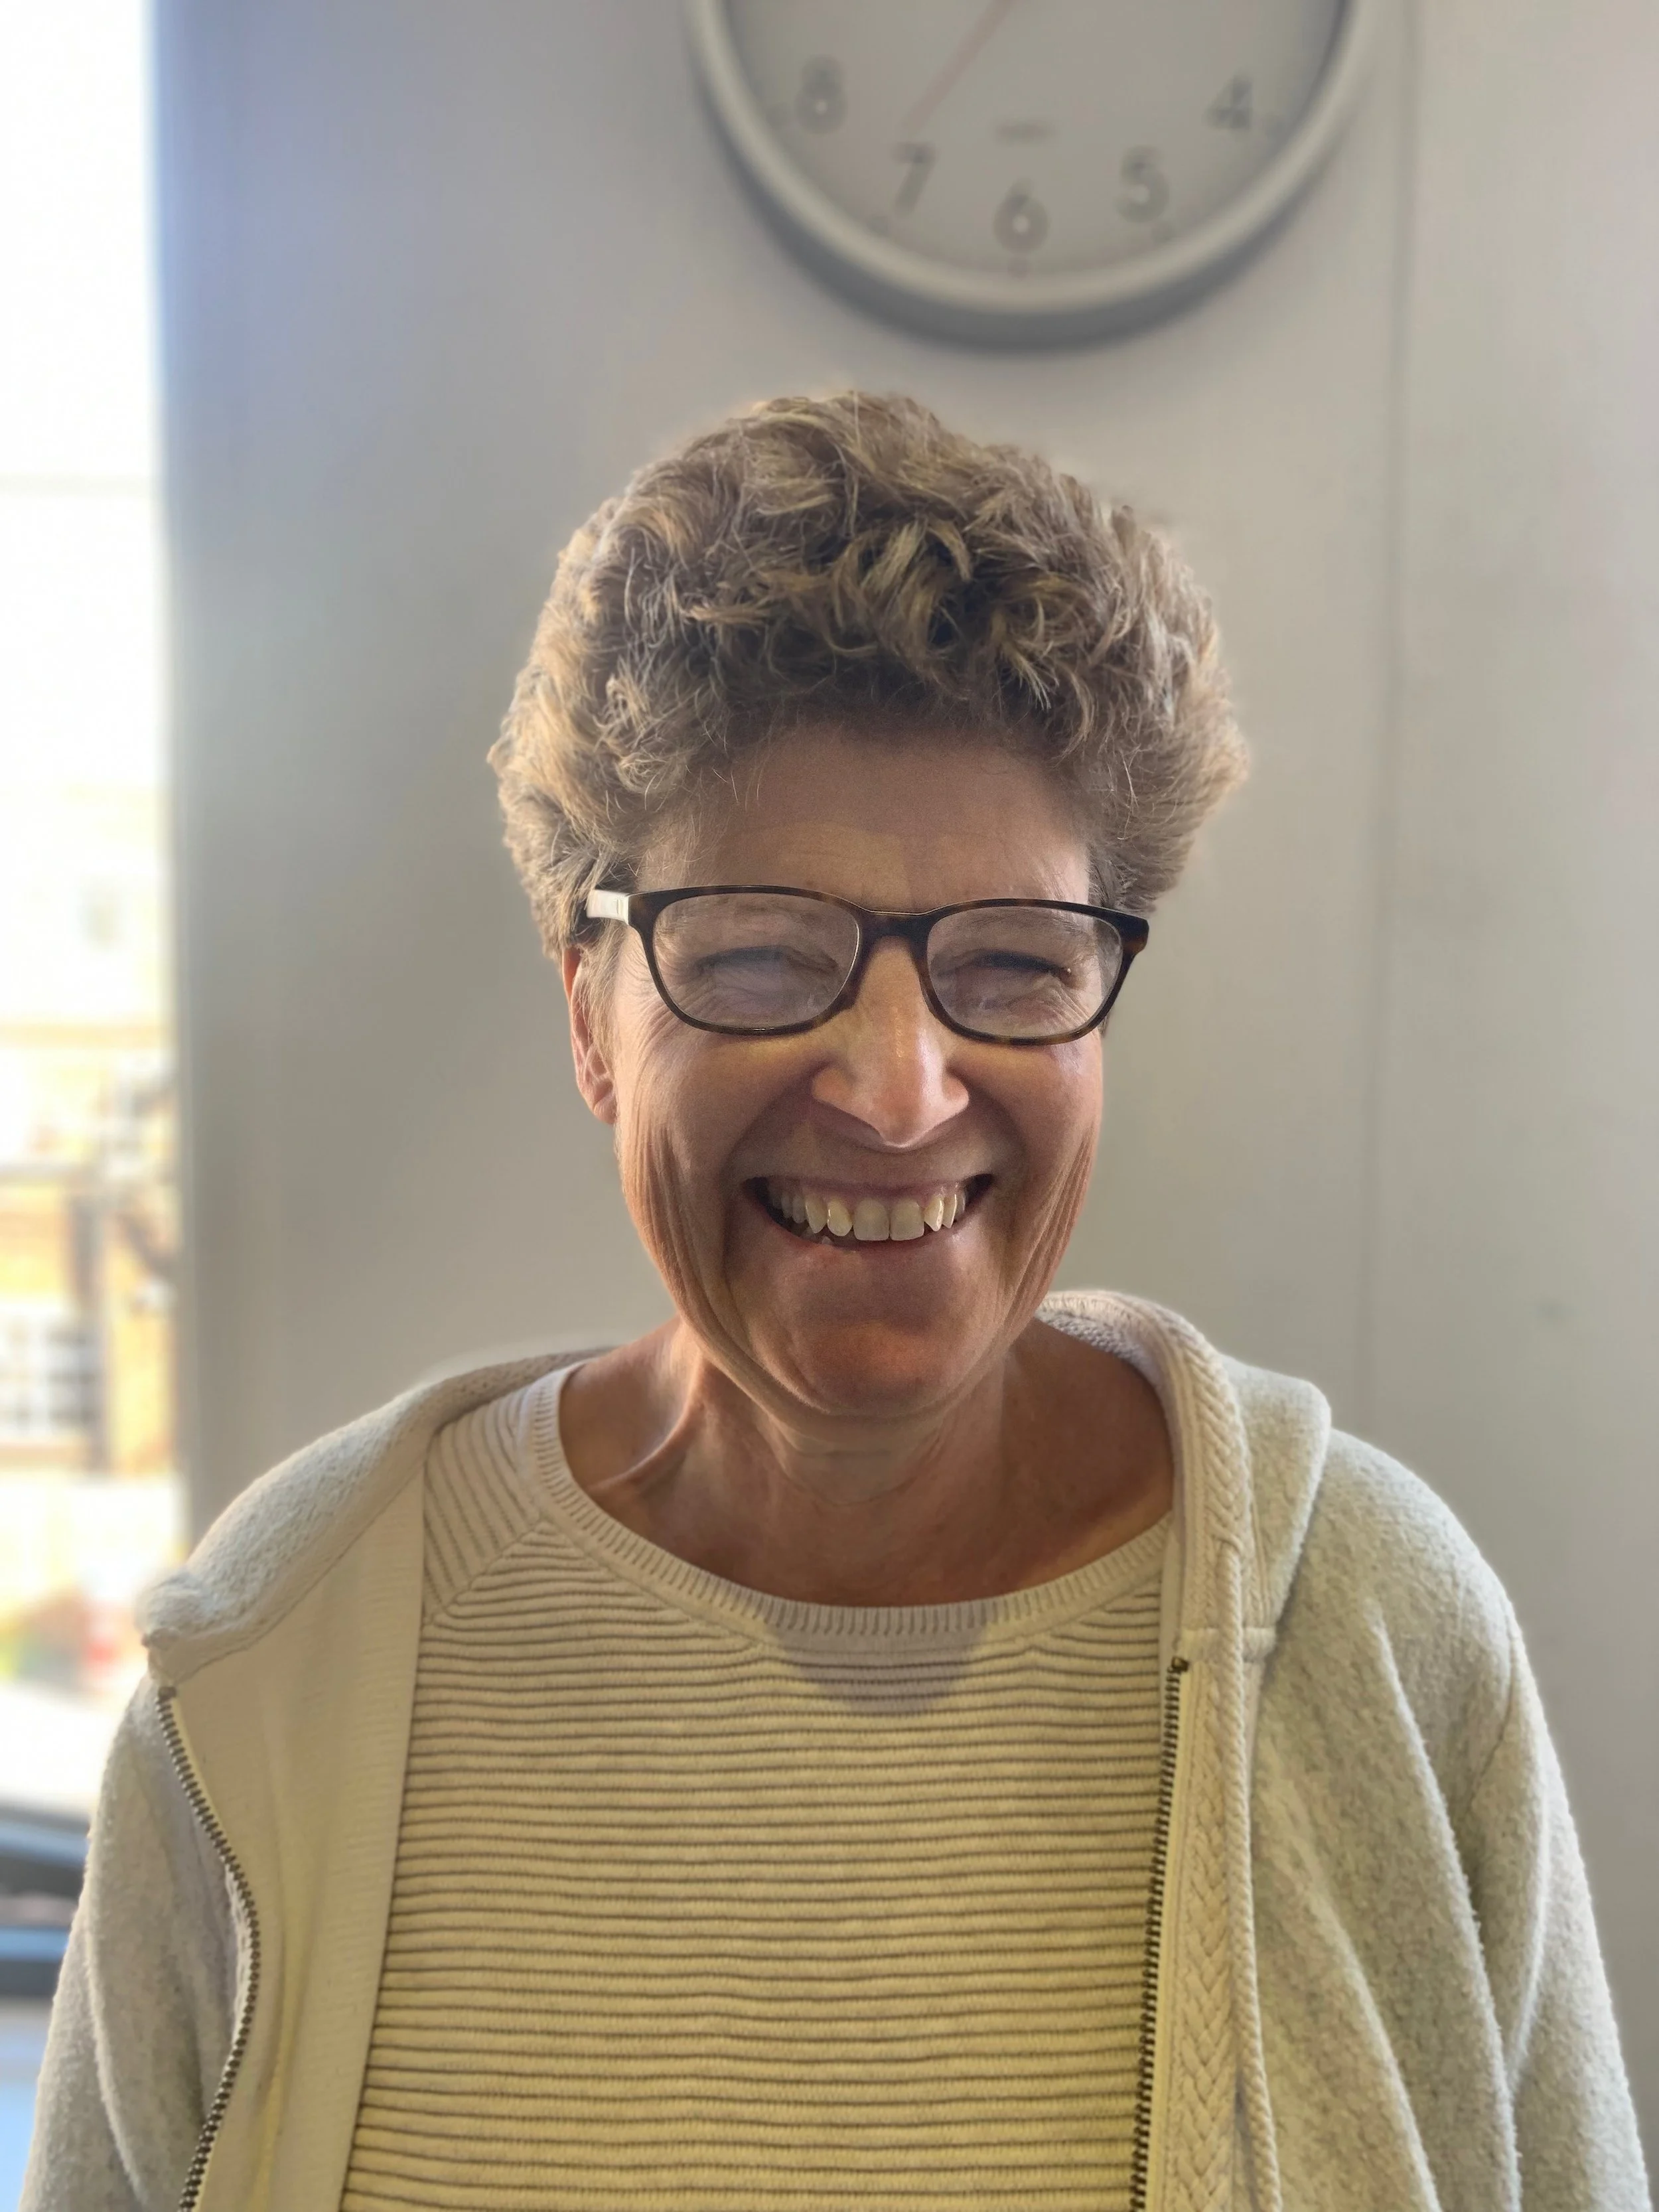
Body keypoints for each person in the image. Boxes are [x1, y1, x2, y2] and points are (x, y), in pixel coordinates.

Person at [25, 393, 1648, 2212]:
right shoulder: (277, 1661)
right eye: (763, 957)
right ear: (589, 1009)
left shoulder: (1375, 1628)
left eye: (1012, 966)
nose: (897, 1087)